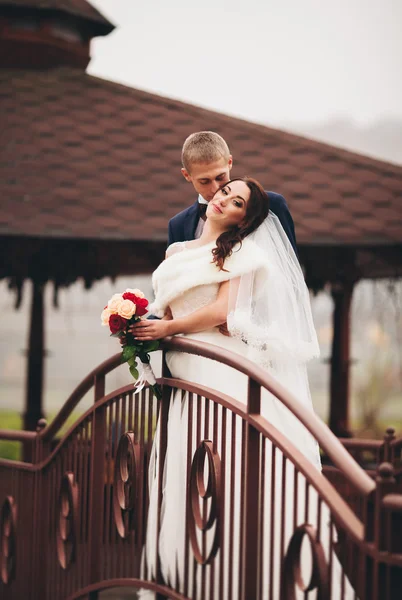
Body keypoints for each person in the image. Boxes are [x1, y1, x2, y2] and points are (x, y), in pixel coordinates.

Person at [132, 178, 353, 599]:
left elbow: (223, 310)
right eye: (225, 192)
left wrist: (170, 328)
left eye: (236, 203)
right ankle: (195, 582)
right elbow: (168, 302)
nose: (223, 200)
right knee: (193, 474)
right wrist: (136, 324)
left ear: (243, 220)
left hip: (221, 372)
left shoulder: (243, 254)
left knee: (231, 473)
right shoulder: (177, 250)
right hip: (185, 379)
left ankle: (249, 582)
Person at [168, 131, 298, 255]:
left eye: (220, 177)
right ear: (186, 175)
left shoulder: (272, 204)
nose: (215, 189)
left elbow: (290, 262)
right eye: (204, 181)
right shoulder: (178, 225)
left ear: (230, 162)